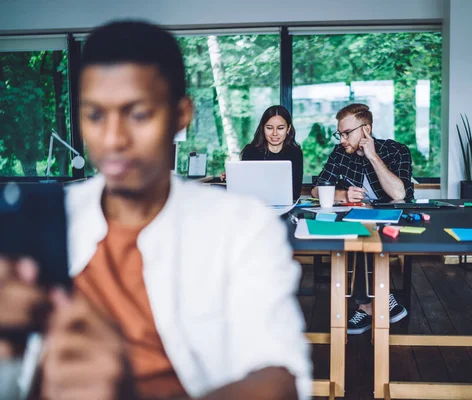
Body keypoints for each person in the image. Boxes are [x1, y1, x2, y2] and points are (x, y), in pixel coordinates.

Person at [0, 20, 311, 400]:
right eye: (95, 115)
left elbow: (280, 381)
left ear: (181, 115)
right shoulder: (47, 220)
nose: (113, 139)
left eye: (139, 114)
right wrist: (12, 355)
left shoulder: (242, 228)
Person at [311, 103, 414, 335]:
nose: (341, 140)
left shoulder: (397, 150)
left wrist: (373, 156)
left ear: (366, 130)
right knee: (360, 229)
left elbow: (399, 194)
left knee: (364, 231)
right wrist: (342, 194)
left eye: (347, 133)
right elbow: (317, 190)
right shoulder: (340, 154)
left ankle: (365, 304)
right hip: (359, 221)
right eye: (340, 134)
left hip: (394, 221)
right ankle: (377, 300)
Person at [221, 106, 303, 200]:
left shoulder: (295, 153)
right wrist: (234, 178)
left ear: (288, 129)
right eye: (269, 128)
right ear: (263, 128)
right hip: (255, 205)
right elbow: (245, 189)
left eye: (280, 128)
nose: (275, 133)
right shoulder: (251, 151)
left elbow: (295, 193)